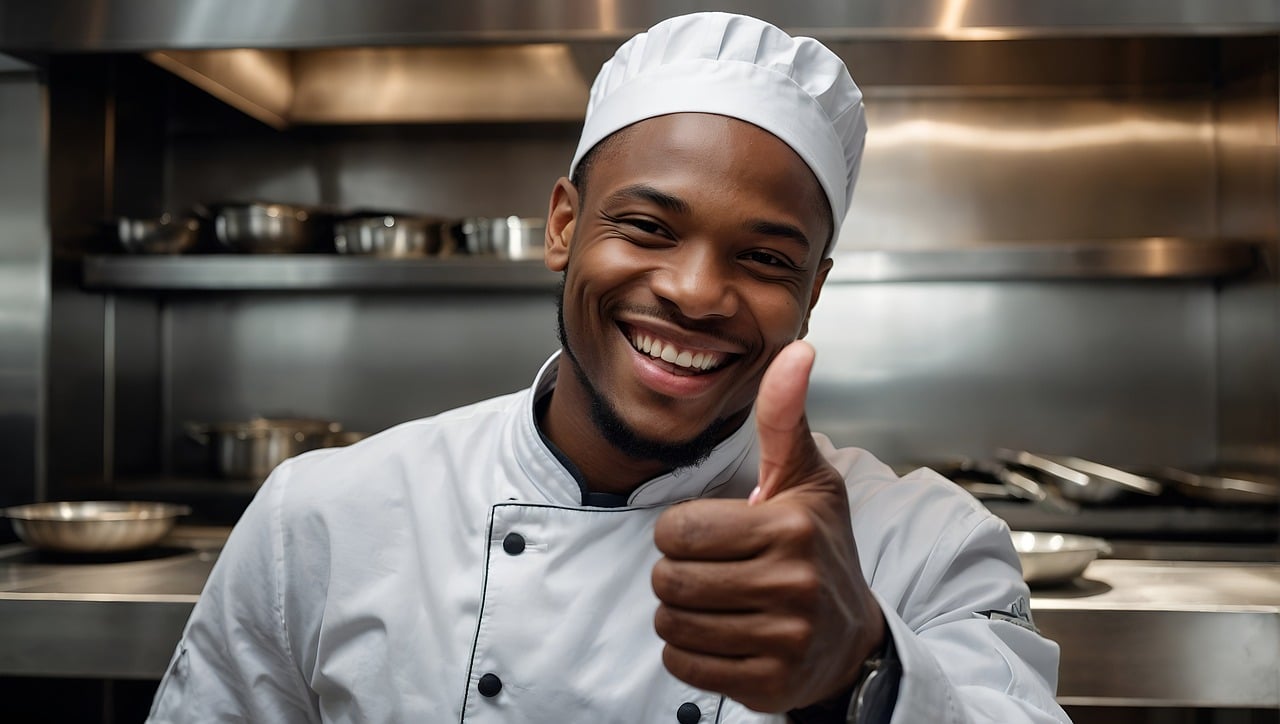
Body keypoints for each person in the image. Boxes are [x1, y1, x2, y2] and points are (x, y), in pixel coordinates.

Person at [148, 12, 1071, 724]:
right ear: (562, 225)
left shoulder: (923, 547)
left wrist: (864, 669)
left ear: (814, 291)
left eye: (765, 258)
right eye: (649, 227)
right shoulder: (322, 517)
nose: (697, 292)